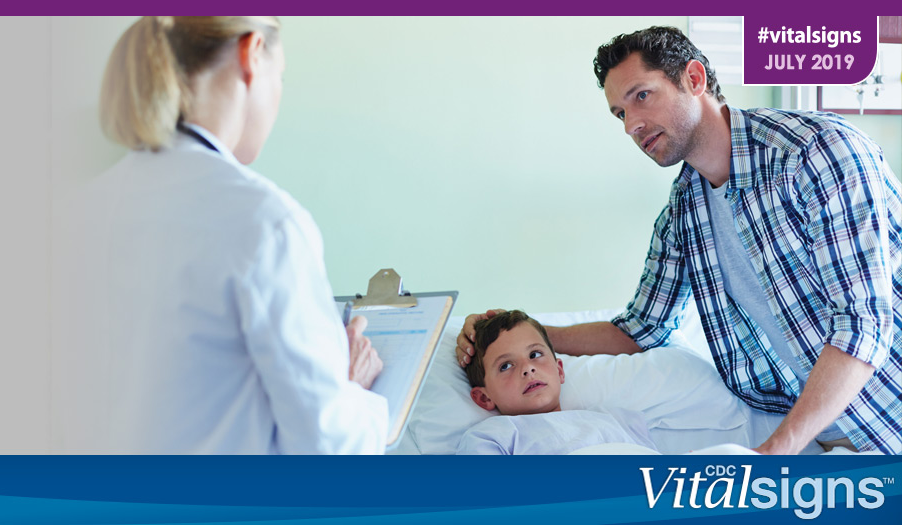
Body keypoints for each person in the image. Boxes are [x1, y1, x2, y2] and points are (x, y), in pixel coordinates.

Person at [456, 26, 902, 454]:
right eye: (620, 113)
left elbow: (863, 324)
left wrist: (775, 451)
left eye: (641, 96)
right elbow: (639, 331)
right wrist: (519, 332)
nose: (631, 124)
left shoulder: (817, 154)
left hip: (887, 419)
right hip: (833, 442)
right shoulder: (684, 212)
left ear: (693, 79)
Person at [57, 17, 387, 454]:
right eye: (281, 76)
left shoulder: (75, 213)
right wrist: (355, 393)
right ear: (251, 54)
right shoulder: (264, 223)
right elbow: (327, 448)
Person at [458, 310, 655, 454]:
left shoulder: (615, 420)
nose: (528, 368)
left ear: (559, 371)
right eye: (506, 366)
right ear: (484, 397)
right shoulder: (493, 437)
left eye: (535, 354)